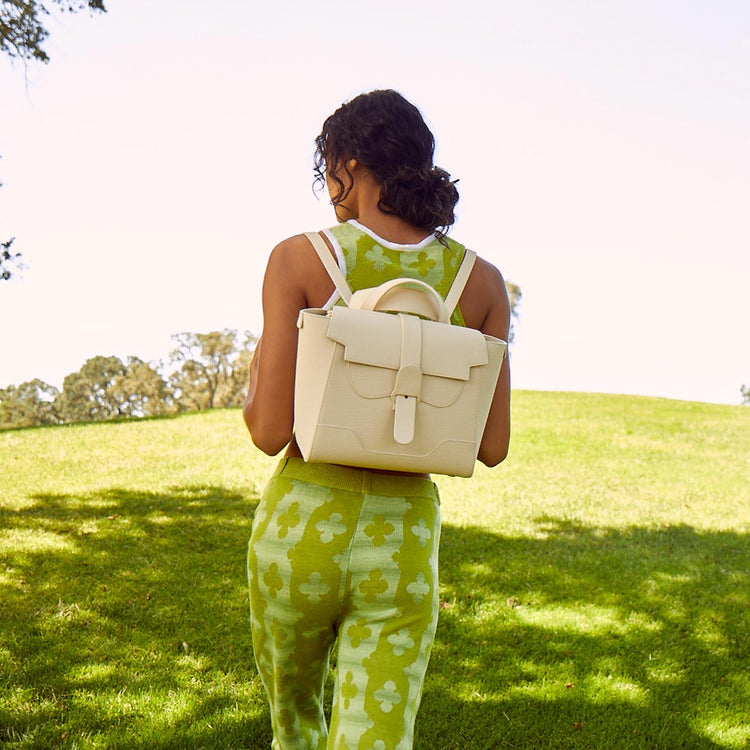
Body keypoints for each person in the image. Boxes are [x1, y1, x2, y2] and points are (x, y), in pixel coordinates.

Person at [243, 89, 511, 750]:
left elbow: (269, 431)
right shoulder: (480, 283)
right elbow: (493, 445)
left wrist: (256, 376)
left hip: (299, 533)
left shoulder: (300, 259)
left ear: (349, 165)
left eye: (326, 174)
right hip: (403, 548)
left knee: (296, 727)